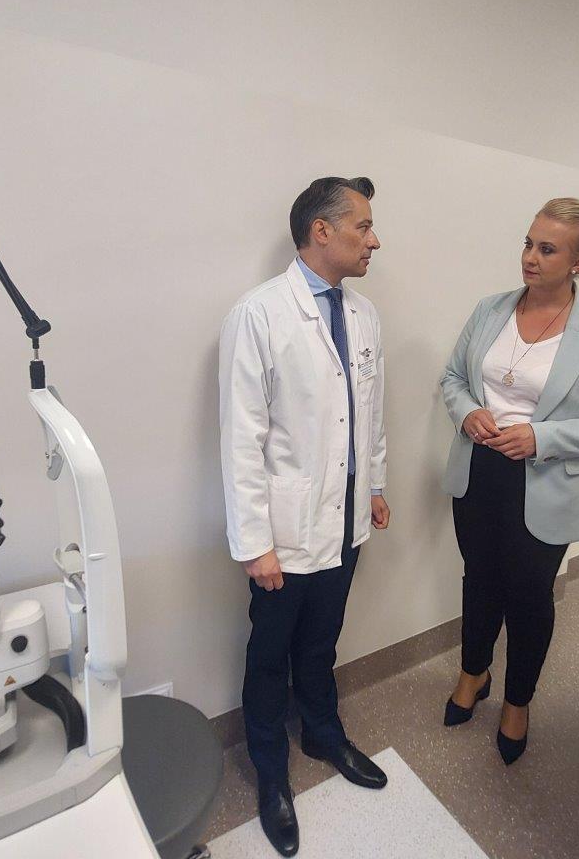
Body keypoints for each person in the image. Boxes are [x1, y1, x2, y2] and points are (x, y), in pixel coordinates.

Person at [219, 176, 390, 857]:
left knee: (322, 641)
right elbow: (241, 439)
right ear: (322, 230)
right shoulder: (259, 313)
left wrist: (374, 484)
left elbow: (370, 413)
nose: (374, 240)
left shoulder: (365, 315)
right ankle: (270, 770)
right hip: (283, 531)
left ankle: (322, 732)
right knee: (270, 656)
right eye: (362, 226)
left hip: (345, 520)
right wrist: (255, 543)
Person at [439, 197, 579, 767]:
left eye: (547, 249)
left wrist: (541, 437)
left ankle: (517, 701)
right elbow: (453, 377)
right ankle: (473, 673)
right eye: (528, 243)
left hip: (548, 482)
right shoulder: (490, 310)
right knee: (479, 579)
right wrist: (467, 413)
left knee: (528, 597)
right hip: (479, 470)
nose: (530, 257)